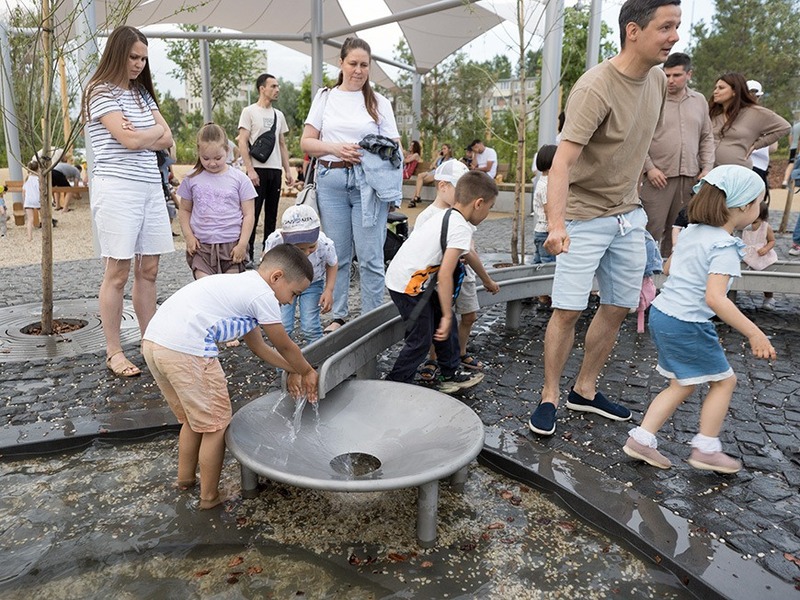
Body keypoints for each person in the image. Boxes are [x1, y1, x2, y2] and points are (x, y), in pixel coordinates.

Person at [528, 0, 681, 437]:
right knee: (567, 311)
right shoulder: (595, 88)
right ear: (633, 30)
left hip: (626, 215)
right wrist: (556, 225)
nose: (674, 36)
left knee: (617, 305)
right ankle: (550, 395)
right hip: (581, 215)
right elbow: (561, 162)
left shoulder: (655, 80)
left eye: (677, 26)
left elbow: (636, 138)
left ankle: (585, 389)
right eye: (665, 27)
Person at [623, 165, 776, 474]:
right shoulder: (723, 246)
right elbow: (716, 299)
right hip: (687, 322)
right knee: (724, 381)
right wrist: (754, 332)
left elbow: (669, 267)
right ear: (744, 206)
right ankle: (706, 448)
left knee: (682, 383)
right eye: (759, 201)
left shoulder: (693, 231)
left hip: (664, 314)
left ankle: (642, 438)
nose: (760, 208)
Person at [142, 244, 319, 509]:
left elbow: (259, 347)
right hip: (188, 350)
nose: (290, 302)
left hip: (155, 343)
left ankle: (185, 481)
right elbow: (284, 345)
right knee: (216, 426)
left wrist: (292, 368)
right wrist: (307, 370)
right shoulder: (263, 295)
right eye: (294, 294)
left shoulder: (241, 285)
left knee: (193, 421)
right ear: (277, 277)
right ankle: (209, 498)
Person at [81, 25, 175, 378]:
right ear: (117, 53)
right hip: (117, 188)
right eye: (133, 56)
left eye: (143, 58)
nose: (138, 64)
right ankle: (114, 350)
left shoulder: (140, 94)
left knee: (149, 269)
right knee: (117, 272)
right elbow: (128, 140)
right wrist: (147, 136)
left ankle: (150, 342)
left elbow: (167, 138)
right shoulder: (99, 91)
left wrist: (144, 136)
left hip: (150, 187)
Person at [300, 37, 402, 334]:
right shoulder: (325, 97)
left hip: (368, 185)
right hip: (331, 180)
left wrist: (390, 189)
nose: (358, 70)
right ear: (341, 64)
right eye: (353, 63)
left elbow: (395, 150)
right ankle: (339, 315)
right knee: (339, 255)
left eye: (364, 65)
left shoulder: (379, 102)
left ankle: (371, 317)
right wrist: (334, 148)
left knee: (371, 255)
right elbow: (307, 141)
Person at [385, 171, 497, 393]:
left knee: (447, 329)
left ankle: (449, 373)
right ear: (478, 203)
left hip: (416, 282)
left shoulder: (451, 216)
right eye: (490, 208)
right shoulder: (459, 227)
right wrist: (446, 315)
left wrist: (487, 281)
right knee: (422, 338)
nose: (488, 213)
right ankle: (394, 385)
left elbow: (470, 255)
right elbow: (445, 275)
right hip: (406, 286)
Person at [412, 161, 500, 380]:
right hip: (440, 277)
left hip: (464, 274)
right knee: (442, 317)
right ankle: (434, 358)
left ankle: (460, 352)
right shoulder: (427, 216)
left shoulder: (462, 213)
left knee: (469, 315)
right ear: (443, 186)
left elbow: (469, 247)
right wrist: (487, 279)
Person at [640, 52, 714, 257]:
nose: (670, 80)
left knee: (681, 231)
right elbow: (639, 136)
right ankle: (644, 283)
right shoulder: (652, 99)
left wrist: (707, 168)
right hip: (657, 179)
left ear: (689, 74)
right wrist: (650, 168)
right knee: (650, 231)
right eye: (667, 75)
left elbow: (707, 137)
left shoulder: (699, 101)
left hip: (689, 178)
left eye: (676, 75)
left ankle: (669, 279)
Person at [176, 123, 257, 279]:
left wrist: (242, 244)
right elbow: (184, 210)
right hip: (202, 247)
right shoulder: (192, 178)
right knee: (206, 290)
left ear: (227, 150)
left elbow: (249, 214)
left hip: (232, 246)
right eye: (205, 158)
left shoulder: (240, 179)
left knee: (228, 292)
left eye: (218, 158)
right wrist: (189, 237)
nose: (212, 163)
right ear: (198, 153)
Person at [237, 73, 294, 264]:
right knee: (251, 213)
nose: (277, 90)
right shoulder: (249, 112)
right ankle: (247, 253)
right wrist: (250, 169)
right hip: (257, 170)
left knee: (272, 214)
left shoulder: (279, 115)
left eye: (278, 86)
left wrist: (287, 170)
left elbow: (282, 144)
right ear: (262, 88)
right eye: (273, 86)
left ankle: (268, 254)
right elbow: (242, 142)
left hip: (275, 170)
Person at [263, 205, 338, 344]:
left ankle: (316, 359)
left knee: (310, 325)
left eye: (311, 247)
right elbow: (266, 265)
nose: (307, 252)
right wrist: (270, 292)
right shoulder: (275, 241)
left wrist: (329, 290)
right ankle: (283, 362)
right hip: (284, 284)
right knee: (283, 325)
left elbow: (332, 264)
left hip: (312, 283)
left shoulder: (324, 243)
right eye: (300, 248)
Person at [709, 72, 789, 170]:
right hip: (710, 172)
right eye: (715, 88)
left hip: (738, 172)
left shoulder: (755, 112)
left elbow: (784, 127)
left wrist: (757, 144)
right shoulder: (712, 113)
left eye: (721, 88)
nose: (715, 92)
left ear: (735, 91)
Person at [741, 200, 778, 309]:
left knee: (766, 278)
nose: (752, 225)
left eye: (755, 222)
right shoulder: (744, 225)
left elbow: (772, 241)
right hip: (747, 254)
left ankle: (769, 297)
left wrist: (766, 248)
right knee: (743, 274)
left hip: (761, 256)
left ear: (762, 218)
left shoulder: (766, 227)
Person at [408, 143, 454, 208]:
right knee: (420, 175)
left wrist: (436, 167)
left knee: (423, 180)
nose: (443, 150)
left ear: (449, 150)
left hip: (438, 175)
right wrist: (437, 158)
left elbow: (444, 170)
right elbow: (431, 167)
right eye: (442, 149)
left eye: (444, 149)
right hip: (432, 172)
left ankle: (415, 198)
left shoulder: (451, 160)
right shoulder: (441, 159)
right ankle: (417, 196)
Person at [23, 159, 41, 242]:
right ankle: (45, 233)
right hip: (38, 200)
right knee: (44, 217)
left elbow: (23, 191)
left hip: (28, 200)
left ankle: (29, 237)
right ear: (38, 168)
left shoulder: (27, 179)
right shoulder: (39, 179)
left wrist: (24, 200)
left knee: (30, 219)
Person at [782, 113, 800, 188]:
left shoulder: (795, 126)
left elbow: (790, 137)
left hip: (793, 147)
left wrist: (791, 147)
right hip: (798, 148)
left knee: (791, 163)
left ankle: (785, 181)